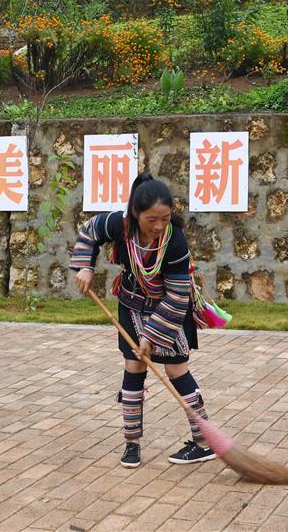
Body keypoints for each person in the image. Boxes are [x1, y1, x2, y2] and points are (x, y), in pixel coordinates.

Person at [70, 174, 215, 468]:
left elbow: (177, 297)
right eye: (151, 219)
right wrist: (85, 267)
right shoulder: (120, 225)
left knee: (176, 369)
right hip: (131, 303)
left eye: (164, 218)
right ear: (135, 214)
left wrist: (150, 337)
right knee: (133, 366)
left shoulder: (174, 241)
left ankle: (204, 441)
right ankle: (132, 443)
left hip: (169, 307)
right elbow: (89, 231)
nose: (159, 225)